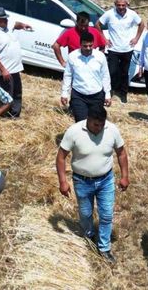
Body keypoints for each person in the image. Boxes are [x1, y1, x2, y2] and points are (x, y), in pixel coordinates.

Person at [55, 106, 129, 264]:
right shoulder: (74, 131)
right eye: (96, 125)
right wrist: (63, 181)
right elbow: (61, 157)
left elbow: (121, 153)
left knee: (107, 215)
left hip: (106, 180)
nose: (99, 128)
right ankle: (88, 236)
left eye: (102, 124)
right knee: (86, 213)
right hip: (82, 181)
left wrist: (124, 176)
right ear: (87, 119)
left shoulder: (112, 130)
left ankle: (104, 248)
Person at [95, 0, 145, 103]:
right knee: (112, 71)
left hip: (127, 48)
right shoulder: (109, 14)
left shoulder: (132, 14)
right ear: (115, 5)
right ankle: (110, 91)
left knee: (124, 72)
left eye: (123, 5)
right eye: (118, 5)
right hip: (113, 49)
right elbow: (97, 24)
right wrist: (104, 39)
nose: (121, 7)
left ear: (127, 4)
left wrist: (136, 38)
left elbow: (141, 24)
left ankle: (123, 93)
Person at [0, 7, 31, 118]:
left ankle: (14, 115)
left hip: (14, 70)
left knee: (16, 93)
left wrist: (23, 25)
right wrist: (3, 70)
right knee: (5, 96)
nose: (6, 21)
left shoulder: (5, 27)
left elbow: (15, 24)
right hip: (3, 73)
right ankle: (4, 116)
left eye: (6, 19)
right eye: (3, 19)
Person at [61, 32, 112, 122]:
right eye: (85, 46)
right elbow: (68, 75)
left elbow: (105, 76)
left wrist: (107, 94)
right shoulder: (73, 56)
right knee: (81, 122)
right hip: (79, 95)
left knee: (95, 122)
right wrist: (64, 93)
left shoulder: (100, 56)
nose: (88, 48)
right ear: (80, 44)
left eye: (90, 45)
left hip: (97, 96)